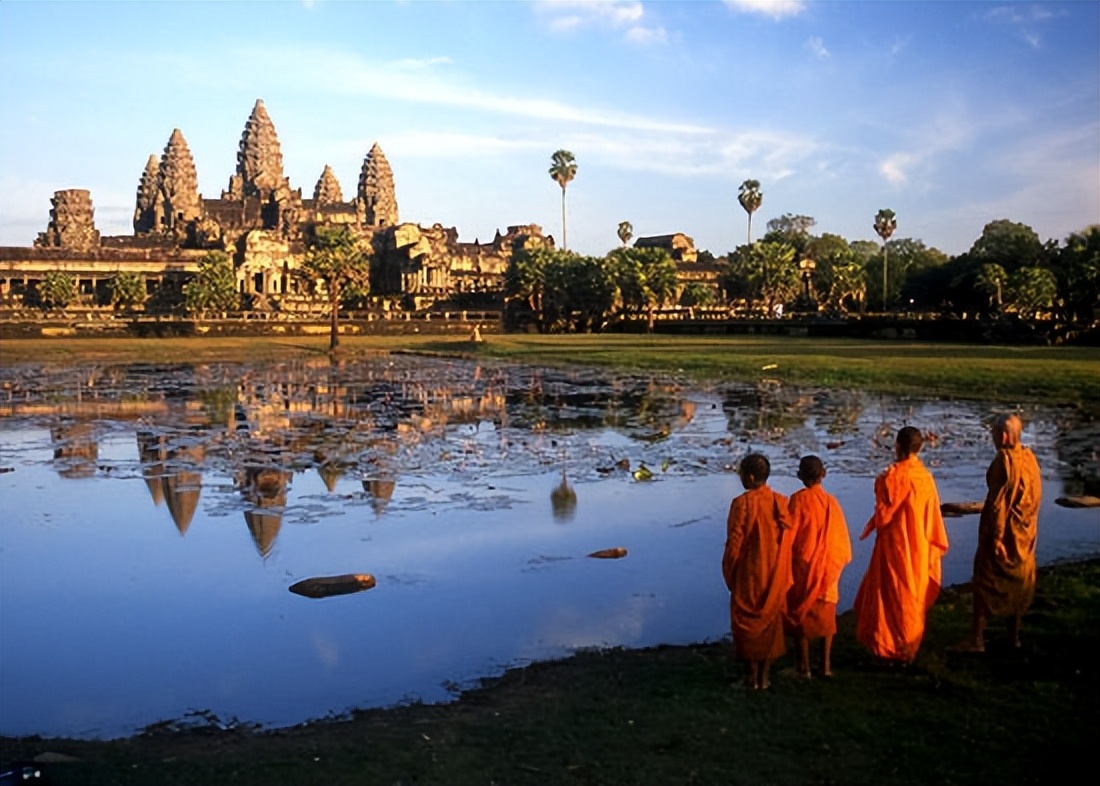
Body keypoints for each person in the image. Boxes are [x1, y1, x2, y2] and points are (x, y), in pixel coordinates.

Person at [853, 427, 949, 663]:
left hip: (895, 547)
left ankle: (888, 645)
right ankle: (907, 648)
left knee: (890, 596)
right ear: (920, 448)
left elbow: (883, 513)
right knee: (911, 596)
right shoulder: (926, 478)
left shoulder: (891, 477)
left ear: (897, 447)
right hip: (919, 547)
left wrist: (887, 475)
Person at [964, 414, 1042, 651]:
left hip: (1006, 533)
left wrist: (997, 538)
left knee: (985, 579)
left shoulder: (1004, 461)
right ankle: (1013, 637)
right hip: (1025, 532)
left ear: (1004, 435)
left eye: (995, 434)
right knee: (1019, 580)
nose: (993, 439)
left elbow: (998, 504)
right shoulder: (1029, 458)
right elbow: (1035, 495)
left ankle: (977, 639)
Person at [722, 453, 792, 689]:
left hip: (750, 573)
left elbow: (734, 543)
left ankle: (750, 678)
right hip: (774, 571)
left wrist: (730, 574)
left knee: (746, 622)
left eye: (741, 474)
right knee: (770, 620)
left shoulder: (742, 504)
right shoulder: (781, 502)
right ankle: (764, 677)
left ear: (750, 477)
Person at [785, 455, 852, 677]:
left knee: (800, 615)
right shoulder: (832, 502)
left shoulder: (797, 500)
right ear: (823, 475)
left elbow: (789, 536)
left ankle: (803, 668)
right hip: (828, 568)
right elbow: (841, 540)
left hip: (805, 569)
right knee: (827, 617)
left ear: (800, 476)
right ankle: (825, 666)